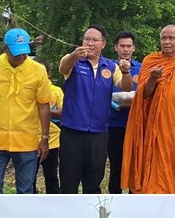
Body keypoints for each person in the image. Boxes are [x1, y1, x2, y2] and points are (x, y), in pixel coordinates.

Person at [121, 25, 175, 194]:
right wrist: (153, 78)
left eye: (171, 38)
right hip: (154, 128)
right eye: (163, 38)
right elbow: (143, 94)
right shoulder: (151, 61)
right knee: (152, 172)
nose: (167, 42)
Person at [0, 28, 52, 194]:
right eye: (16, 53)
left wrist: (44, 138)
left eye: (24, 53)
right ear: (5, 49)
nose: (21, 57)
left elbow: (44, 105)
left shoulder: (38, 70)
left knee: (25, 191)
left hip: (27, 142)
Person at [58, 25, 133, 194]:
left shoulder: (110, 67)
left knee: (93, 182)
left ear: (103, 44)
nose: (90, 43)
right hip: (72, 130)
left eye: (94, 40)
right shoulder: (74, 62)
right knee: (69, 180)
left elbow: (126, 87)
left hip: (99, 132)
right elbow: (63, 67)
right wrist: (74, 56)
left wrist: (126, 72)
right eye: (87, 39)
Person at [108, 31, 142, 194]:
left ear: (134, 48)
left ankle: (134, 195)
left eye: (129, 46)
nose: (125, 49)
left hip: (135, 124)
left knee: (135, 165)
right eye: (122, 46)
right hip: (113, 123)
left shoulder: (141, 68)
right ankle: (115, 194)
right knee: (117, 165)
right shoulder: (108, 67)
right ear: (115, 48)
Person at [32, 58, 63, 194]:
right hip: (28, 140)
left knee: (51, 177)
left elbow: (64, 112)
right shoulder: (26, 89)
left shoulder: (55, 91)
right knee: (28, 178)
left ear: (48, 73)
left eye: (42, 71)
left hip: (52, 140)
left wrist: (45, 110)